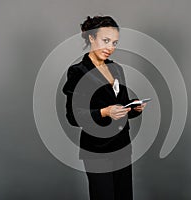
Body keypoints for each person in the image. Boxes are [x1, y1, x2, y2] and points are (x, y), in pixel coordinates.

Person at [62, 15, 146, 200]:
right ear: (91, 38)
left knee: (124, 196)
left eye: (114, 43)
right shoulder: (78, 71)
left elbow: (121, 107)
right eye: (106, 40)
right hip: (97, 150)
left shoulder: (117, 68)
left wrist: (133, 108)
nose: (110, 48)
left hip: (123, 146)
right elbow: (73, 116)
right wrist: (105, 112)